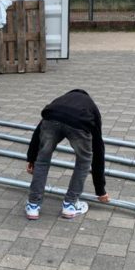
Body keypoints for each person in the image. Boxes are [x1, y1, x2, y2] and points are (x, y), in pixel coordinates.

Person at [25, 89, 110, 219]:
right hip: (79, 124)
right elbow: (98, 148)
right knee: (84, 161)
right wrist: (100, 190)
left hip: (51, 120)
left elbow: (37, 134)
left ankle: (33, 205)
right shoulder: (91, 107)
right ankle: (70, 205)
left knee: (42, 159)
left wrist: (32, 159)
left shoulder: (59, 102)